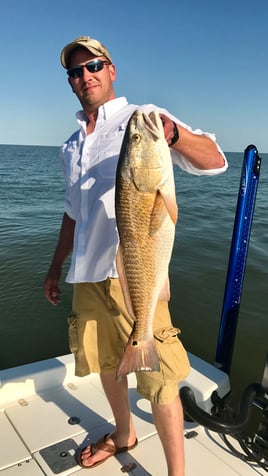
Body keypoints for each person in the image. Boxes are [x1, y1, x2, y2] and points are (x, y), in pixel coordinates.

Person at [44, 35, 228, 475]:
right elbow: (73, 213)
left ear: (111, 70)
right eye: (75, 71)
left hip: (136, 271)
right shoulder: (71, 145)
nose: (84, 76)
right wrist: (55, 267)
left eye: (93, 66)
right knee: (109, 365)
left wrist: (175, 135)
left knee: (159, 376)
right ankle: (123, 433)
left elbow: (215, 160)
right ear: (70, 81)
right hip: (86, 274)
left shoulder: (141, 119)